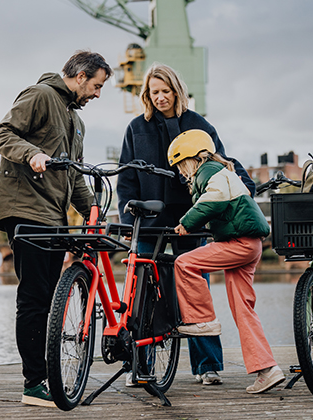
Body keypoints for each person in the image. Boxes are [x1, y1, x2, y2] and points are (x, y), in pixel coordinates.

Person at [117, 63, 255, 386]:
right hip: (148, 220)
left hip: (191, 218)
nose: (161, 97)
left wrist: (245, 186)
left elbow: (221, 163)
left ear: (177, 92)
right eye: (155, 92)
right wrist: (128, 220)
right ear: (147, 95)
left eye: (166, 91)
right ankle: (140, 364)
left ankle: (207, 365)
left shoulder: (198, 125)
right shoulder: (136, 128)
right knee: (141, 289)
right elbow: (126, 178)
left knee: (198, 286)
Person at [0, 50, 113, 407]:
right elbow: (1, 133)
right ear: (79, 76)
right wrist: (31, 154)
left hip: (54, 218)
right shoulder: (40, 96)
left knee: (48, 300)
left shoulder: (76, 121)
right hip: (26, 212)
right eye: (96, 85)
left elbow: (73, 175)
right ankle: (33, 383)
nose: (97, 94)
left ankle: (48, 376)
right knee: (33, 298)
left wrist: (91, 209)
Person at [167, 129, 285, 394]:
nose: (181, 173)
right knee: (244, 310)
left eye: (181, 165)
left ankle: (202, 320)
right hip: (250, 244)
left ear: (195, 157)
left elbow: (216, 199)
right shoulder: (226, 171)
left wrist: (186, 222)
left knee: (184, 264)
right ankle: (267, 369)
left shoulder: (208, 170)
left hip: (238, 244)